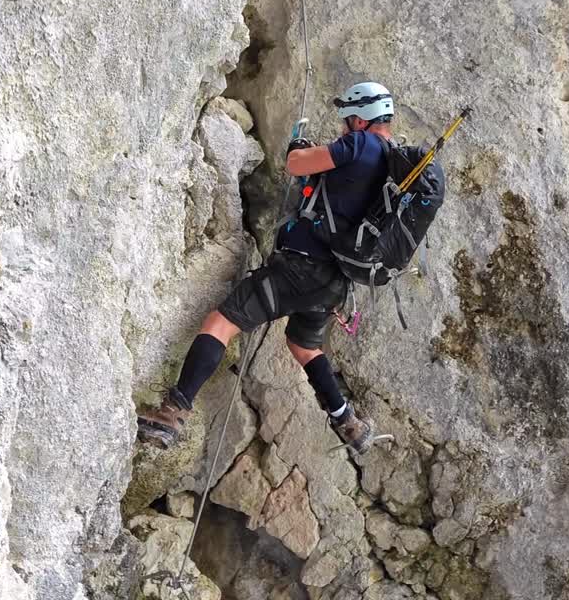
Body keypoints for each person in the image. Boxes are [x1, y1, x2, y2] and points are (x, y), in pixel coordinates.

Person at [137, 82, 398, 454]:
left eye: (346, 119)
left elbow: (296, 164)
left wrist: (299, 150)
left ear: (360, 118)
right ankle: (348, 423)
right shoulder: (391, 156)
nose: (343, 127)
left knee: (221, 322)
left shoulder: (361, 144)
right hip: (335, 281)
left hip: (300, 267)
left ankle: (172, 412)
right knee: (304, 345)